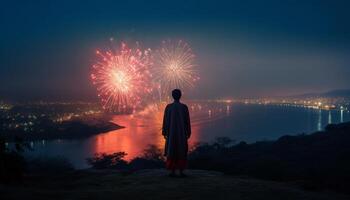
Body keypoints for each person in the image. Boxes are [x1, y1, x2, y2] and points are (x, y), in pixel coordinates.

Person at [162, 89, 191, 177]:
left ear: (172, 96)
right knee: (181, 150)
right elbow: (187, 122)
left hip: (171, 134)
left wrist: (165, 132)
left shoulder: (168, 107)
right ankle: (181, 171)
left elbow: (165, 121)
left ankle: (173, 171)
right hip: (182, 134)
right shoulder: (184, 107)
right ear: (180, 95)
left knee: (172, 150)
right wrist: (188, 132)